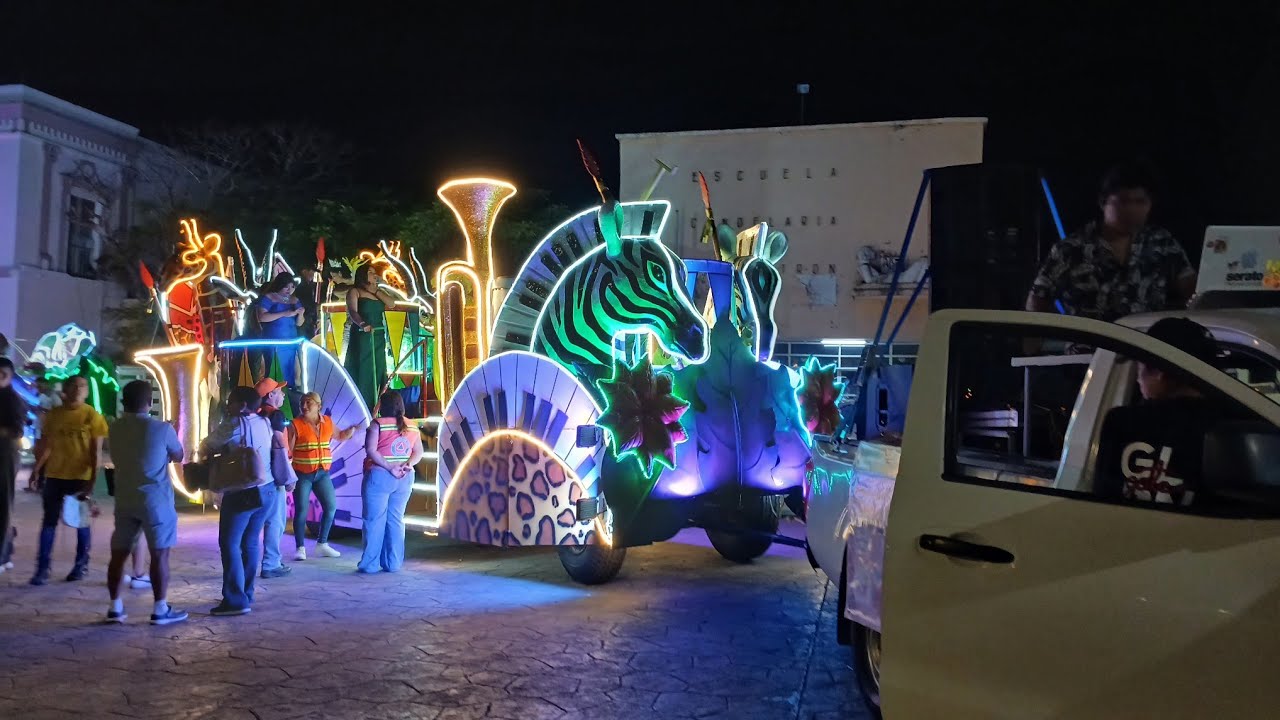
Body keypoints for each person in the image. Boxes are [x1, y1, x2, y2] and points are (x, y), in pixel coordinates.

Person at [1027, 163, 1197, 322]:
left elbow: (1192, 290)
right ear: (1103, 203)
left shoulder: (1162, 243)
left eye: (1140, 202)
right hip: (1091, 342)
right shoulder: (1071, 249)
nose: (1132, 210)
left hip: (1146, 342)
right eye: (1123, 201)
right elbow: (1038, 300)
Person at [1095, 318, 1221, 506]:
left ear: (1159, 372)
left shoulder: (1122, 422)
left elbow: (1102, 497)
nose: (1138, 378)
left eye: (1139, 366)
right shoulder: (1227, 424)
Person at [105, 380, 187, 625]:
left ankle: (115, 607)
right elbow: (179, 455)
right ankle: (160, 608)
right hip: (155, 501)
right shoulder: (162, 428)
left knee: (118, 555)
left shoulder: (115, 428)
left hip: (125, 498)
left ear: (124, 402)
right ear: (150, 402)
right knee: (160, 554)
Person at [200, 386, 275, 616]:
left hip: (243, 491)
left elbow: (206, 446)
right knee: (250, 542)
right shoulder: (265, 422)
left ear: (242, 405)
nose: (227, 405)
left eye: (230, 401)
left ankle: (235, 600)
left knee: (229, 543)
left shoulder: (233, 424)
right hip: (267, 488)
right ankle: (246, 593)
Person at [30, 375, 107, 585]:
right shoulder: (54, 415)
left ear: (87, 391)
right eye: (73, 385)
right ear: (65, 390)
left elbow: (96, 452)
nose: (78, 389)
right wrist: (36, 470)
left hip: (80, 477)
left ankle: (81, 565)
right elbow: (46, 446)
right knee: (49, 522)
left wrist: (92, 481)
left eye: (82, 386)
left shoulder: (92, 416)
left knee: (81, 523)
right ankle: (42, 569)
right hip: (55, 475)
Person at [357, 391, 423, 574]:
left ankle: (370, 565)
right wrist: (407, 464)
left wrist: (389, 467)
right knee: (396, 520)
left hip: (379, 477)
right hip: (404, 478)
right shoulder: (413, 426)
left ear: (383, 405)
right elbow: (418, 452)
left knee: (374, 521)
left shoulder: (377, 424)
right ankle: (393, 563)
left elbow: (371, 450)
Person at [288, 391, 358, 560]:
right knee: (301, 511)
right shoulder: (295, 424)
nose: (304, 406)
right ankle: (300, 548)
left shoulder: (327, 422)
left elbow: (340, 436)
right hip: (302, 474)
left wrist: (354, 429)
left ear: (318, 406)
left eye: (308, 402)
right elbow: (288, 451)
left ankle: (322, 544)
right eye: (302, 402)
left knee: (331, 507)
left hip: (322, 474)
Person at [254, 377, 294, 579]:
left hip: (253, 476)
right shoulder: (276, 415)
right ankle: (271, 563)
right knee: (275, 521)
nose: (283, 394)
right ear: (270, 395)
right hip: (273, 476)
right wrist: (288, 476)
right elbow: (279, 447)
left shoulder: (254, 415)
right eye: (279, 391)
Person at [344, 264, 396, 410]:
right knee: (364, 369)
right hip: (363, 335)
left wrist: (376, 290)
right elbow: (353, 312)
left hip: (378, 335)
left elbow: (391, 303)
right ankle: (361, 406)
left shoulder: (378, 292)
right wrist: (362, 323)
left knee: (379, 368)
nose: (374, 275)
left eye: (375, 272)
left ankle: (378, 406)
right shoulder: (354, 291)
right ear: (363, 275)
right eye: (370, 272)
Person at [255, 271, 304, 384]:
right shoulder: (269, 297)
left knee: (290, 370)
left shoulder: (295, 300)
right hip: (273, 341)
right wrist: (283, 314)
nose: (289, 290)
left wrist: (301, 314)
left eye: (292, 287)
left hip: (291, 341)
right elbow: (261, 317)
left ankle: (288, 390)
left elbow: (299, 323)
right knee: (274, 369)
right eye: (286, 287)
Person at [0, 359, 26, 574]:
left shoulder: (12, 399)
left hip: (5, 455)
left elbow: (17, 431)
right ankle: (6, 552)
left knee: (3, 503)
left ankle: (2, 556)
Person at [26, 377, 61, 492]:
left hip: (48, 431)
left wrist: (43, 410)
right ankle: (38, 483)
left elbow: (59, 412)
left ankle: (42, 483)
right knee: (38, 456)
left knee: (43, 457)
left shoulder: (54, 397)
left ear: (46, 385)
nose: (38, 388)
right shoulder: (41, 396)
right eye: (37, 386)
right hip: (39, 429)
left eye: (40, 386)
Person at [297, 267, 321, 340]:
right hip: (304, 319)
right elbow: (307, 304)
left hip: (308, 320)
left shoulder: (309, 286)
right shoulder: (301, 287)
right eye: (312, 272)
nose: (313, 275)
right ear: (304, 271)